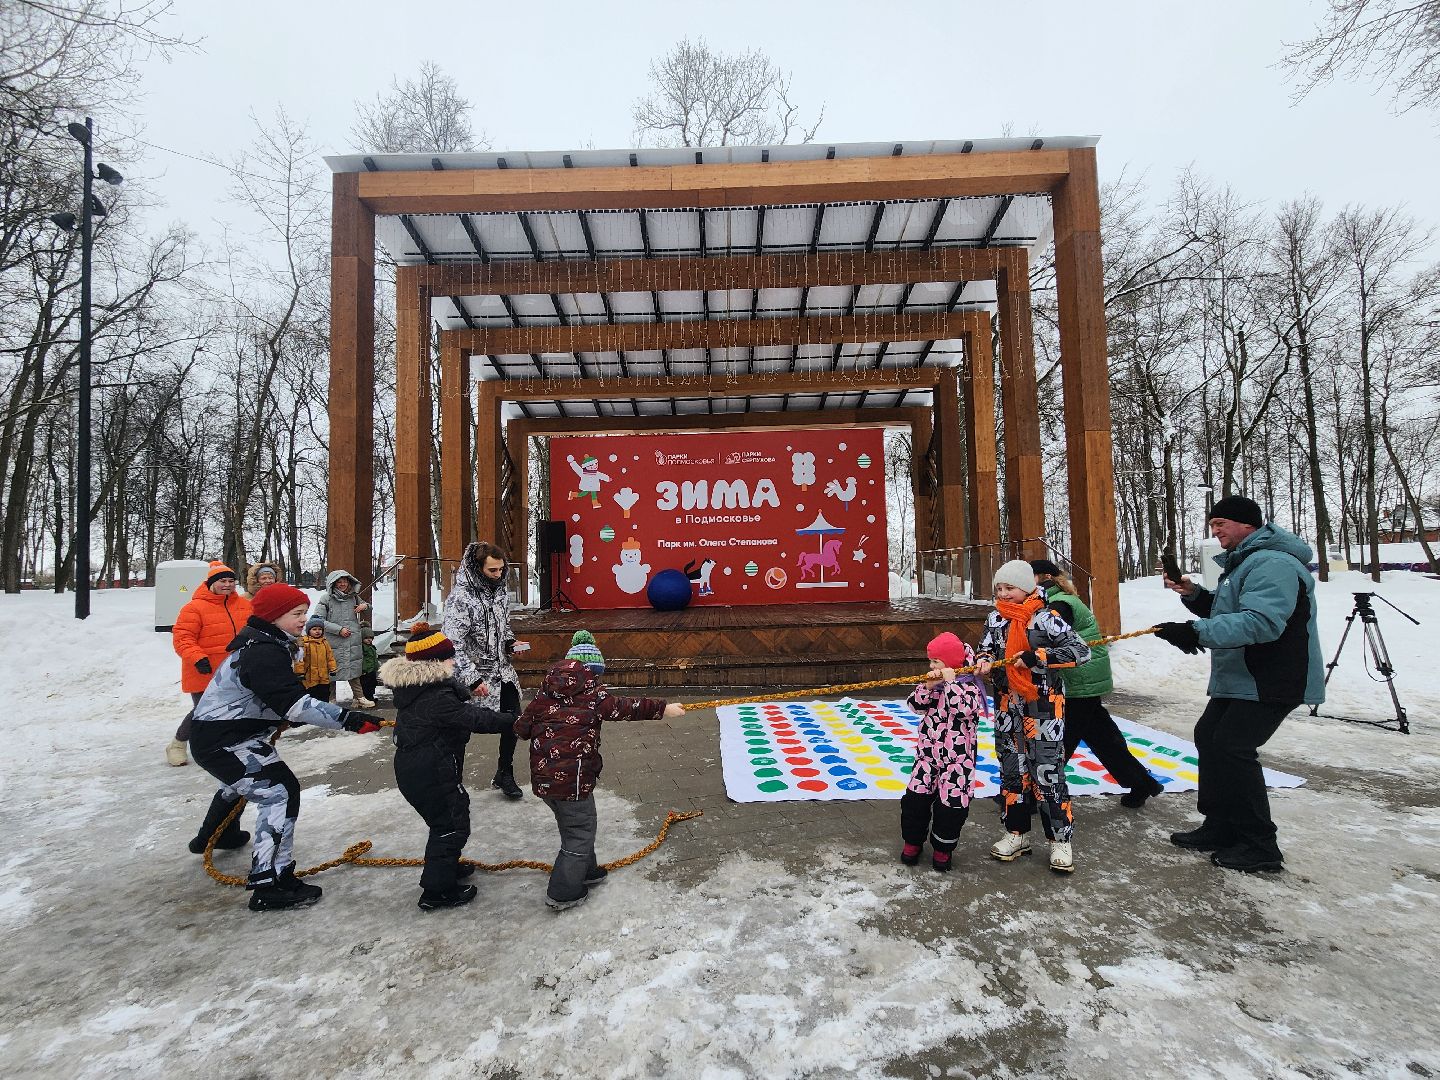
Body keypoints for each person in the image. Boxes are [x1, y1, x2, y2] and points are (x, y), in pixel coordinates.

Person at [186, 581, 385, 911]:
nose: (303, 620)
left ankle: (216, 835)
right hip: (224, 740)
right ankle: (270, 883)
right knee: (278, 790)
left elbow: (276, 698)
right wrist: (348, 720)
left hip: (232, 735)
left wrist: (283, 712)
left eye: (305, 613)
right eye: (296, 613)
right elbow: (294, 703)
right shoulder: (262, 652)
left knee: (240, 782)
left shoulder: (269, 644)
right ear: (274, 616)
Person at [1157, 495, 1325, 873]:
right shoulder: (1247, 563)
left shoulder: (1273, 563)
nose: (1215, 533)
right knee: (1210, 737)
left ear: (1248, 525)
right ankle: (1220, 825)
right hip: (1242, 677)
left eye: (1221, 525)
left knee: (1232, 746)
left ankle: (1259, 843)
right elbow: (1228, 609)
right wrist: (1194, 595)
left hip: (1271, 676)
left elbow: (1262, 621)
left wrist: (1195, 631)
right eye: (1212, 526)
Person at [514, 658, 684, 910]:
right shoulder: (594, 697)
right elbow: (628, 707)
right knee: (580, 832)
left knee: (575, 826)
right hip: (573, 780)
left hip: (544, 780)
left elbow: (520, 728)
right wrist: (663, 709)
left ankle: (586, 869)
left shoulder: (542, 697)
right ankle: (563, 892)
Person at [379, 623, 518, 911]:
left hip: (424, 766)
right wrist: (515, 721)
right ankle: (437, 891)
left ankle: (446, 866)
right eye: (449, 658)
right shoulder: (434, 696)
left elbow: (453, 700)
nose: (454, 662)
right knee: (451, 825)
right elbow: (476, 720)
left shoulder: (421, 688)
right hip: (430, 769)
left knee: (445, 820)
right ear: (434, 663)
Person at [976, 560, 1092, 874]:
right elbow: (984, 647)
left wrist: (1038, 657)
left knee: (1047, 772)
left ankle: (1060, 839)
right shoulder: (995, 618)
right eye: (999, 588)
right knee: (1012, 771)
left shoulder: (1046, 618)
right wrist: (985, 661)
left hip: (1043, 706)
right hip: (1006, 706)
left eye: (1009, 588)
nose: (1003, 594)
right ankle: (1017, 834)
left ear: (1027, 588)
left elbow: (1080, 651)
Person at [1030, 558, 1164, 809]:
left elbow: (1049, 637)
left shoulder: (1059, 605)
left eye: (1030, 577)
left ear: (1044, 578)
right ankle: (1141, 783)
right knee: (1103, 738)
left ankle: (1032, 796)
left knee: (1058, 742)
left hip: (1078, 683)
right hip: (1084, 679)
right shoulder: (1058, 600)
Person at [443, 542, 530, 800]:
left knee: (513, 721)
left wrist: (511, 643)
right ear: (477, 568)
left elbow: (502, 629)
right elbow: (451, 644)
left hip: (502, 673)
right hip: (469, 677)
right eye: (492, 570)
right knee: (461, 730)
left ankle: (505, 772)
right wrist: (471, 679)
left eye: (501, 570)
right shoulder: (460, 598)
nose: (498, 575)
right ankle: (453, 783)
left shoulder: (500, 593)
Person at [900, 632, 986, 873]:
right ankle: (912, 842)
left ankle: (943, 848)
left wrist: (950, 684)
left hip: (958, 761)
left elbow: (964, 710)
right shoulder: (935, 684)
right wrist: (928, 686)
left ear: (950, 663)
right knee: (914, 800)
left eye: (936, 662)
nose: (931, 666)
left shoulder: (969, 685)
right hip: (927, 756)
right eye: (931, 661)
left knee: (952, 805)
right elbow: (914, 706)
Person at [168, 561, 254, 768]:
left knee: (238, 708)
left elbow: (255, 628)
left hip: (235, 669)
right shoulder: (193, 608)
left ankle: (231, 744)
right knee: (203, 711)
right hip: (204, 669)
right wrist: (198, 657)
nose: (227, 585)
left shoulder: (244, 605)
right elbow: (182, 638)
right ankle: (178, 745)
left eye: (231, 581)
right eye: (222, 581)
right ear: (211, 583)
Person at [313, 569, 374, 708]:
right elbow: (318, 620)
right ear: (333, 583)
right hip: (333, 641)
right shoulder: (326, 599)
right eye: (339, 582)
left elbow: (368, 608)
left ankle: (359, 697)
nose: (342, 584)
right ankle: (331, 700)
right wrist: (338, 630)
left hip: (352, 640)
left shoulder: (354, 597)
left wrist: (365, 606)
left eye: (345, 581)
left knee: (353, 670)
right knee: (332, 671)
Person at [294, 615, 337, 701]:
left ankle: (324, 711)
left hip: (323, 677)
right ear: (309, 630)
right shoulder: (305, 643)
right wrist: (299, 672)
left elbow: (330, 657)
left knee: (324, 696)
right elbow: (300, 659)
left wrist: (333, 668)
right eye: (314, 629)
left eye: (320, 629)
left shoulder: (324, 643)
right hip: (309, 678)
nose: (317, 631)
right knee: (312, 697)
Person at [360, 629, 381, 704]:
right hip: (366, 670)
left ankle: (371, 696)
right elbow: (362, 659)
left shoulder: (372, 647)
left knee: (373, 683)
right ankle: (367, 697)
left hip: (372, 669)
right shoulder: (362, 648)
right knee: (366, 685)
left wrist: (376, 666)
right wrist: (363, 669)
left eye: (371, 638)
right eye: (366, 638)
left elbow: (374, 658)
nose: (369, 640)